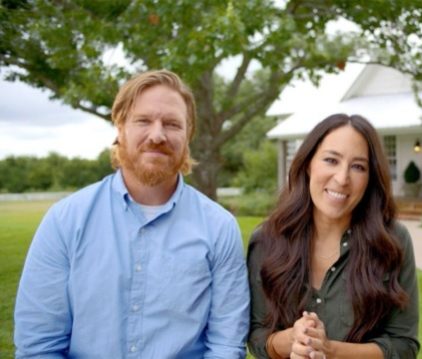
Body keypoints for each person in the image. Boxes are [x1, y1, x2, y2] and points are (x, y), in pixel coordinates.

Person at [14, 70, 250, 358]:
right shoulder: (65, 221)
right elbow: (39, 345)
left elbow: (226, 345)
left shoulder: (219, 227)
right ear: (120, 127)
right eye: (143, 121)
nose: (157, 135)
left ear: (188, 135)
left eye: (173, 124)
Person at [247, 114, 420, 359]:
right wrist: (293, 340)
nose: (342, 178)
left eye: (358, 166)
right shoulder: (266, 240)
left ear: (370, 177)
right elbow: (256, 337)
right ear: (308, 164)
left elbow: (404, 346)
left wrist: (330, 350)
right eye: (331, 160)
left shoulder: (393, 241)